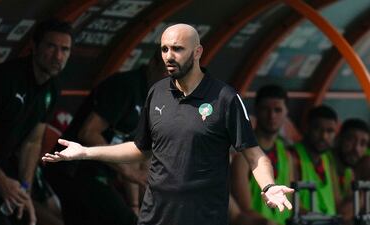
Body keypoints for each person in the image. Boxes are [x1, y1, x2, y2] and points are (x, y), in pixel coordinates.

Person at [42, 23, 294, 225]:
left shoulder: (224, 98)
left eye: (177, 49)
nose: (169, 57)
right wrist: (87, 152)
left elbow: (253, 154)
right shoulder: (157, 93)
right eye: (164, 50)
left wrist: (268, 185)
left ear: (197, 53)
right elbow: (139, 150)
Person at [43, 50, 165, 225]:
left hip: (98, 175)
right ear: (153, 63)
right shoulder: (126, 86)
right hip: (73, 168)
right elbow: (88, 133)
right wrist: (128, 172)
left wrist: (134, 205)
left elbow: (133, 160)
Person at [0, 18, 72, 225]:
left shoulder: (52, 88)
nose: (58, 56)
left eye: (65, 49)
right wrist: (2, 183)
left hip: (3, 166)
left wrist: (25, 189)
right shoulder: (3, 79)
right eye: (51, 47)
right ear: (34, 47)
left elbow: (33, 141)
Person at [231, 85, 293, 225]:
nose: (272, 116)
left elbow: (293, 203)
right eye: (266, 109)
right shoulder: (242, 156)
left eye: (277, 110)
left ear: (286, 113)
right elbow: (243, 210)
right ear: (256, 111)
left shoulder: (286, 156)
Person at [289, 105, 338, 215]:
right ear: (306, 128)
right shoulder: (292, 156)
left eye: (330, 131)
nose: (324, 136)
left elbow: (337, 203)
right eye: (318, 129)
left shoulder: (327, 160)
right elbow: (290, 205)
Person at [329, 119, 370, 223]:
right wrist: (366, 186)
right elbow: (342, 214)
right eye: (351, 139)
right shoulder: (326, 162)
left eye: (363, 143)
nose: (356, 148)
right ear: (338, 139)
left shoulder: (349, 172)